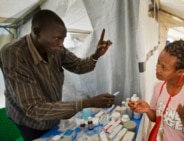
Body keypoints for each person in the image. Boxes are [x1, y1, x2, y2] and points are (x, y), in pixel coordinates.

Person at [0, 9, 115, 141]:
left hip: (52, 116)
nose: (61, 44)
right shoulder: (13, 54)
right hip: (29, 121)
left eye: (63, 38)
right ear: (36, 32)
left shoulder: (55, 48)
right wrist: (87, 102)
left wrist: (96, 55)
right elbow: (35, 108)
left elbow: (78, 66)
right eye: (57, 38)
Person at [128, 32, 184, 141]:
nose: (157, 69)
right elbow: (156, 118)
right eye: (158, 62)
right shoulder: (158, 86)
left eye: (164, 68)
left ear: (180, 71)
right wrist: (147, 110)